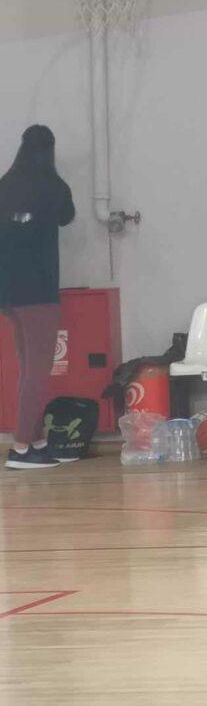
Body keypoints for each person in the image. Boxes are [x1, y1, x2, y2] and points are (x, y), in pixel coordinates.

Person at [0, 126, 75, 470]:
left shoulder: (4, 185)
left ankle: (37, 442)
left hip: (8, 293)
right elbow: (67, 217)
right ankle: (20, 448)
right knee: (38, 373)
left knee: (28, 369)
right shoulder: (53, 186)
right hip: (39, 291)